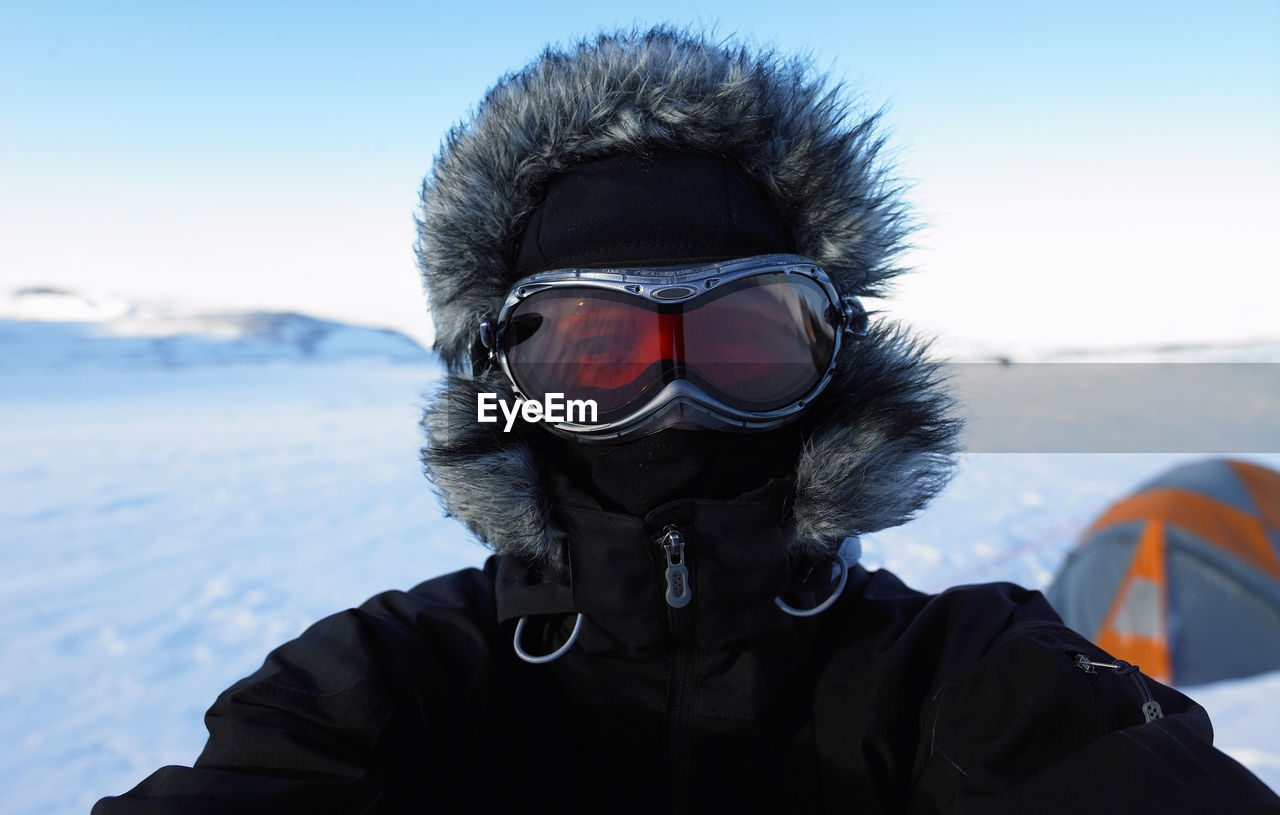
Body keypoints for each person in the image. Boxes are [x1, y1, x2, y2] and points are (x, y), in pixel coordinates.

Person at [95, 27, 1279, 814]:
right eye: (593, 348)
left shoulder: (973, 675)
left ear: (834, 362)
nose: (672, 398)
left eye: (744, 339)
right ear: (505, 382)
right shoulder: (381, 682)